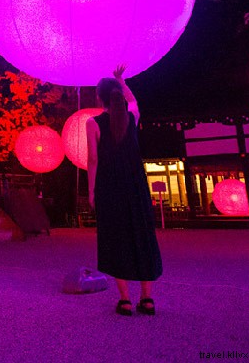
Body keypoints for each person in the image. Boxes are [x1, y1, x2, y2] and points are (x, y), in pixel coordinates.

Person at [87, 65, 162, 316]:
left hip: (110, 186)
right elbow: (133, 100)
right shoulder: (131, 117)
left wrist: (91, 192)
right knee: (142, 235)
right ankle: (148, 299)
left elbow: (93, 160)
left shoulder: (93, 123)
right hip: (135, 184)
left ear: (99, 98)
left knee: (117, 237)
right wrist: (122, 80)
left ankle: (125, 300)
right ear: (117, 95)